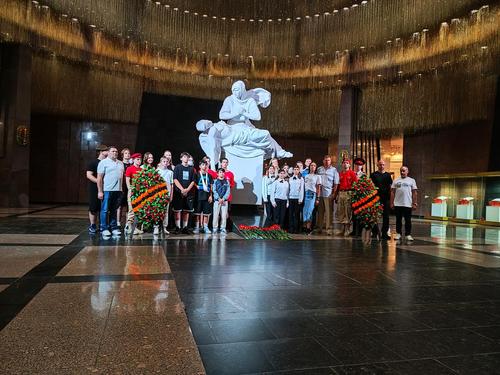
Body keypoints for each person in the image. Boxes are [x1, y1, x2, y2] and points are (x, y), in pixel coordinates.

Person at [196, 80, 292, 170]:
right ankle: (279, 151)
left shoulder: (249, 101)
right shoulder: (229, 100)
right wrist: (235, 113)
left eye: (236, 90)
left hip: (245, 127)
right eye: (233, 90)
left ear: (242, 89)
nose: (234, 92)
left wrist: (244, 113)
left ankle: (279, 151)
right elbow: (222, 115)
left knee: (266, 134)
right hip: (232, 127)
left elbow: (257, 117)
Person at [97, 146, 124, 237]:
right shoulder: (103, 162)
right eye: (113, 151)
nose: (115, 153)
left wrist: (121, 189)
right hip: (107, 190)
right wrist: (100, 191)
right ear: (108, 152)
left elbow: (121, 177)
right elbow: (99, 178)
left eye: (116, 151)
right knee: (105, 210)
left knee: (114, 210)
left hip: (118, 190)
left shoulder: (120, 163)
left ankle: (114, 227)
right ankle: (104, 228)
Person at [391, 166, 418, 241]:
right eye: (401, 171)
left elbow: (414, 192)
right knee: (398, 220)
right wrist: (391, 203)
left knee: (408, 220)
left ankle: (408, 234)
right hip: (398, 204)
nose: (402, 172)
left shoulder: (411, 180)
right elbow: (393, 192)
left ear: (407, 171)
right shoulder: (396, 180)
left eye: (403, 171)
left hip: (408, 204)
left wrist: (414, 203)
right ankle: (398, 233)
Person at [173, 152, 197, 234]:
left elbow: (193, 181)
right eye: (184, 157)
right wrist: (182, 189)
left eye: (187, 157)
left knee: (186, 211)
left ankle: (185, 227)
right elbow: (175, 179)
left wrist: (187, 190)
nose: (186, 158)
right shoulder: (177, 167)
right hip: (178, 192)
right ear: (181, 158)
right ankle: (178, 227)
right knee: (177, 210)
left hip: (188, 193)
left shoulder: (191, 169)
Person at [86, 144, 108, 233]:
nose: (108, 152)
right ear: (101, 152)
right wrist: (99, 182)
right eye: (106, 150)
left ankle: (103, 225)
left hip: (106, 188)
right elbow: (88, 175)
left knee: (103, 207)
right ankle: (93, 225)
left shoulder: (107, 163)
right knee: (93, 207)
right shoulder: (93, 162)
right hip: (94, 188)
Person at [316, 155, 339, 235]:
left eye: (328, 160)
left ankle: (328, 229)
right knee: (320, 212)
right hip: (320, 193)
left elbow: (336, 183)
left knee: (329, 212)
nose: (327, 161)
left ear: (330, 161)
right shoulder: (319, 169)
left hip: (328, 193)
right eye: (325, 160)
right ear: (323, 161)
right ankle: (319, 228)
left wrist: (334, 194)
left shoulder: (334, 170)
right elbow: (316, 181)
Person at [371, 160, 393, 240]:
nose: (381, 166)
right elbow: (371, 186)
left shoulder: (388, 175)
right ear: (377, 165)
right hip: (376, 198)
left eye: (383, 164)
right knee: (374, 216)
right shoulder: (373, 175)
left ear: (385, 165)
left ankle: (384, 233)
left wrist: (391, 199)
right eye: (380, 164)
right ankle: (375, 232)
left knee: (386, 216)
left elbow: (390, 187)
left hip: (386, 198)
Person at [336, 159, 358, 237]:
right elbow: (338, 185)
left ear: (349, 165)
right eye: (344, 163)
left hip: (348, 193)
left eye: (347, 163)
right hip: (341, 193)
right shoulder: (340, 173)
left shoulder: (352, 173)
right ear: (342, 164)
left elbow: (356, 184)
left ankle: (347, 229)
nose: (345, 164)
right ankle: (342, 229)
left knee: (347, 211)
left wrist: (354, 195)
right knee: (341, 211)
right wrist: (336, 195)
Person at [125, 153, 143, 235]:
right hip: (132, 191)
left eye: (140, 159)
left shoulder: (141, 170)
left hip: (139, 192)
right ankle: (129, 227)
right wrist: (130, 189)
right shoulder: (130, 168)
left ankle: (134, 227)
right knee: (131, 210)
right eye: (137, 159)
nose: (139, 161)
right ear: (134, 160)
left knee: (138, 210)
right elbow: (127, 180)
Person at [194, 160, 213, 234]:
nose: (204, 166)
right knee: (197, 213)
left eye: (205, 165)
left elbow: (211, 186)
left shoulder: (209, 176)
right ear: (199, 166)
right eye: (202, 165)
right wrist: (197, 186)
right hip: (198, 196)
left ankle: (205, 227)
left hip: (207, 197)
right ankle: (197, 227)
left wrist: (211, 196)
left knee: (206, 213)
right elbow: (193, 183)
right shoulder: (197, 174)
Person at [302, 162, 321, 234]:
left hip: (312, 195)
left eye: (314, 165)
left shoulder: (317, 176)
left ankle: (308, 228)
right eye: (311, 165)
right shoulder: (306, 176)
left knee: (310, 211)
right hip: (305, 195)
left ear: (316, 167)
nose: (313, 166)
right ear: (309, 167)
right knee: (305, 211)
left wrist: (318, 198)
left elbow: (318, 188)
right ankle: (304, 227)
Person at [157, 156, 174, 235]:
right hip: (158, 195)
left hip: (167, 194)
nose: (165, 163)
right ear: (160, 162)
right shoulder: (157, 171)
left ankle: (164, 227)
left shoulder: (170, 172)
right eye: (163, 161)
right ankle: (156, 227)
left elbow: (172, 185)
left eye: (166, 162)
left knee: (165, 211)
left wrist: (171, 195)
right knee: (157, 211)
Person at [213, 168, 231, 235]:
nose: (222, 173)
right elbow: (214, 191)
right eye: (220, 172)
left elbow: (228, 191)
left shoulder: (227, 181)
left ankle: (223, 228)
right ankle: (215, 228)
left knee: (223, 215)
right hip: (217, 201)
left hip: (224, 201)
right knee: (216, 215)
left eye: (223, 172)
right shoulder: (215, 181)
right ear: (217, 173)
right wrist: (218, 198)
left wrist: (223, 198)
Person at [117, 148, 131, 228]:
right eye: (126, 153)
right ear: (122, 155)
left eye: (129, 153)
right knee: (119, 206)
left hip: (128, 187)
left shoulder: (131, 165)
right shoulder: (119, 164)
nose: (128, 154)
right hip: (121, 187)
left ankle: (127, 223)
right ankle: (118, 222)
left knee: (128, 206)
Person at [288, 166, 305, 233]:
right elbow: (288, 189)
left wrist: (300, 199)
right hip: (291, 198)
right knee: (290, 214)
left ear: (299, 171)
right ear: (293, 170)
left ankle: (296, 229)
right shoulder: (290, 179)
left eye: (297, 169)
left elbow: (302, 190)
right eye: (294, 169)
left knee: (296, 214)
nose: (295, 170)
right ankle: (291, 228)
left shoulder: (301, 179)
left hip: (297, 198)